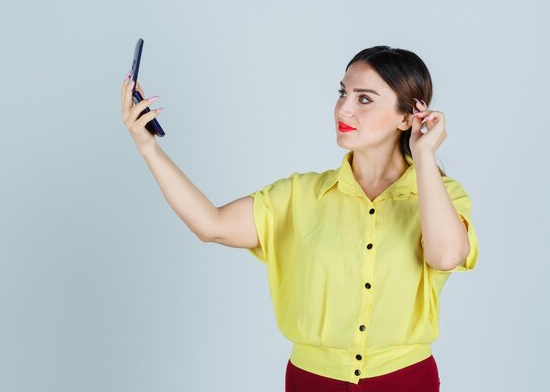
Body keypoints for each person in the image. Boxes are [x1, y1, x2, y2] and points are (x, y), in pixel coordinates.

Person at [120, 45, 479, 392]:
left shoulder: (441, 195)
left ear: (408, 116)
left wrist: (424, 156)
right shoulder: (299, 195)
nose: (343, 109)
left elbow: (446, 256)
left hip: (406, 380)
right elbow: (211, 224)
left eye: (364, 98)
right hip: (312, 382)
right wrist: (148, 147)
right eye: (342, 93)